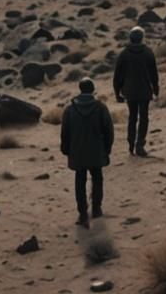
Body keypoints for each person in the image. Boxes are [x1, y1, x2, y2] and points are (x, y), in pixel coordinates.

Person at [60, 77, 114, 228]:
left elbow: (65, 132)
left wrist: (65, 148)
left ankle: (82, 211)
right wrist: (107, 148)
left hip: (77, 150)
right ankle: (96, 208)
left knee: (80, 180)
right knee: (97, 178)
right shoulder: (100, 107)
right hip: (96, 150)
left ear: (80, 89)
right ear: (92, 90)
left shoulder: (70, 109)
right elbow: (109, 130)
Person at [113, 25, 159, 156]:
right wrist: (155, 89)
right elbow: (154, 74)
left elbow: (117, 76)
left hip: (129, 91)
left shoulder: (124, 54)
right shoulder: (148, 52)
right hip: (144, 90)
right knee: (144, 117)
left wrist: (117, 92)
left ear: (130, 38)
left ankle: (131, 144)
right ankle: (140, 144)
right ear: (142, 38)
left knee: (132, 117)